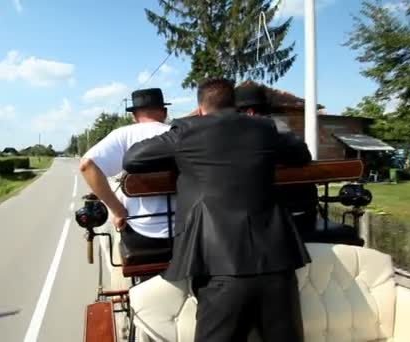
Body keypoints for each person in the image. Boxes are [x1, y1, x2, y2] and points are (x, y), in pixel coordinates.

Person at [123, 78, 311, 342]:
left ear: (200, 109)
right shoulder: (264, 128)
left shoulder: (186, 131)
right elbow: (301, 154)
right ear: (234, 105)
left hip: (217, 265)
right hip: (277, 263)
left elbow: (133, 158)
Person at [79, 88, 175, 250]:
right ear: (164, 112)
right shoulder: (180, 133)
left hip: (141, 233)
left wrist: (117, 211)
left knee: (118, 232)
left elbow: (86, 166)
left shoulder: (123, 135)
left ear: (133, 116)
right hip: (187, 231)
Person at [235, 80, 320, 239]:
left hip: (284, 220)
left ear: (249, 113)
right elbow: (302, 154)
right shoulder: (281, 128)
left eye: (236, 114)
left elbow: (299, 153)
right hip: (303, 212)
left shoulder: (265, 134)